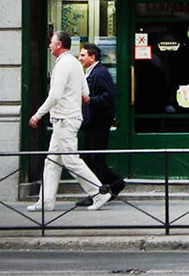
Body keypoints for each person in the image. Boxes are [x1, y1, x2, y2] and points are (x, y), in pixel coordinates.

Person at [28, 31, 111, 212]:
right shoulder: (74, 63)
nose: (49, 45)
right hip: (68, 118)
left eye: (51, 42)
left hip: (64, 119)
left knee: (71, 161)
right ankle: (46, 202)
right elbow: (86, 93)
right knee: (52, 161)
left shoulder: (62, 65)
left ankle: (99, 193)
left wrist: (37, 115)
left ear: (59, 45)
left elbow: (55, 95)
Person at [75, 43, 126, 207]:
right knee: (92, 159)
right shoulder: (92, 72)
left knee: (94, 159)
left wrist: (91, 100)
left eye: (83, 55)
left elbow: (109, 97)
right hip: (92, 123)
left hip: (98, 124)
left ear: (92, 57)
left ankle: (97, 193)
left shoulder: (100, 73)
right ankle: (115, 183)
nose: (80, 58)